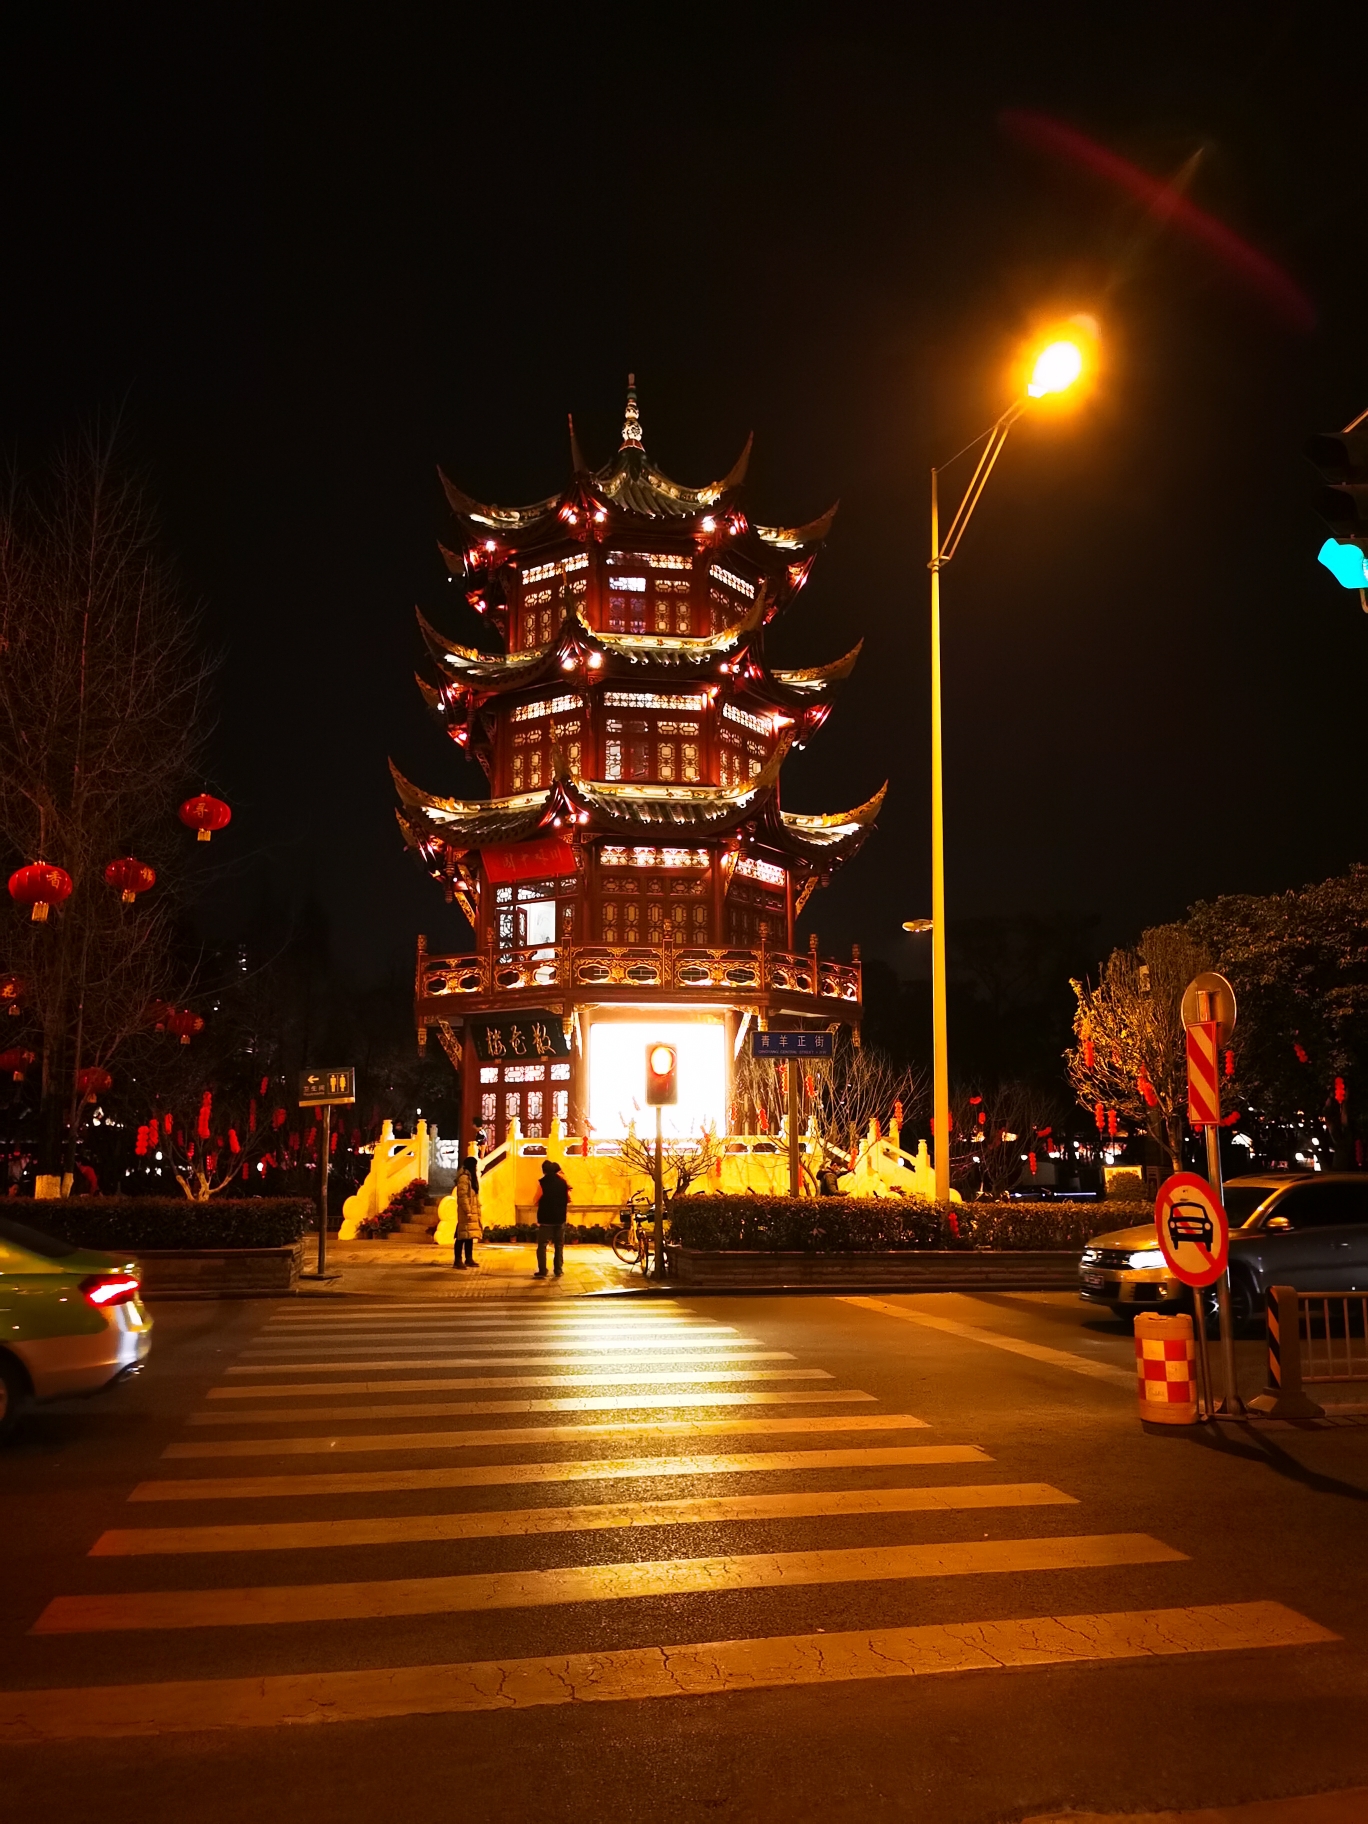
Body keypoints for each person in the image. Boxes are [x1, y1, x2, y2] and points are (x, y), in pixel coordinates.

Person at [533, 1158, 569, 1279]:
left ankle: (543, 1270)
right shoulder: (563, 1183)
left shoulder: (543, 1182)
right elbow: (569, 1199)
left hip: (546, 1219)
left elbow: (535, 1200)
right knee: (559, 1245)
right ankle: (558, 1270)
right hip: (560, 1218)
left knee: (542, 1245)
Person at [454, 1156, 482, 1269]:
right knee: (461, 1236)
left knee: (470, 1236)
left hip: (473, 1210)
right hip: (466, 1211)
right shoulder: (464, 1178)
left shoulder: (471, 1177)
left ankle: (469, 1258)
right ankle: (457, 1260)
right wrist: (468, 1211)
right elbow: (462, 1196)